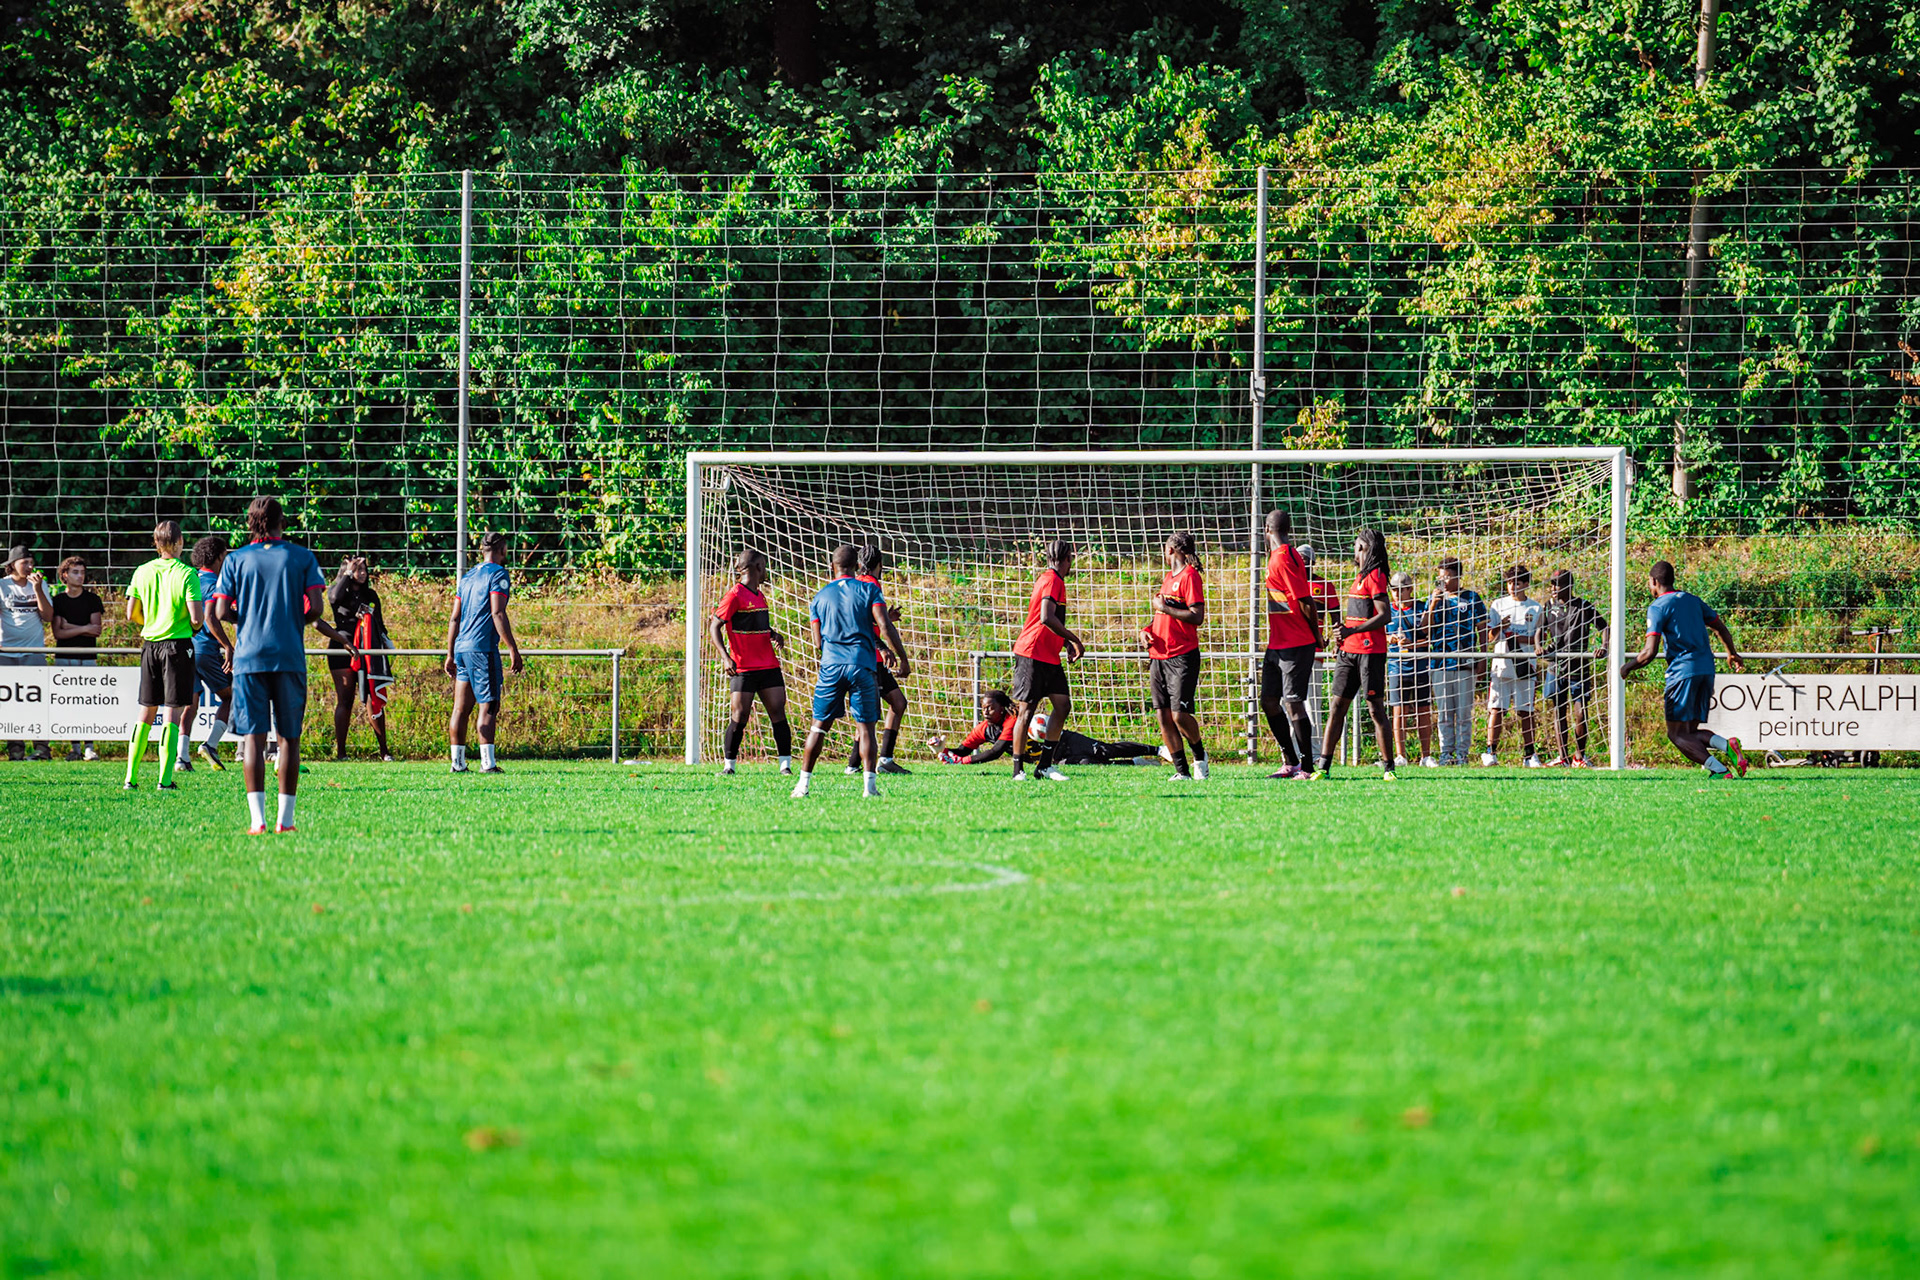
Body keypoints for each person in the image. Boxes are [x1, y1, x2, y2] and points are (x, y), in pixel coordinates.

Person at [209, 497, 353, 833]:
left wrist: (243, 620)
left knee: (254, 738)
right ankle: (284, 822)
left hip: (248, 658)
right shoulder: (302, 556)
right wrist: (291, 619)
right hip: (288, 656)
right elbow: (316, 609)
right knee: (289, 738)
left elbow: (219, 612)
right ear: (281, 521)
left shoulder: (235, 560)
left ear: (250, 523)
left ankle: (257, 820)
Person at [792, 543, 912, 798]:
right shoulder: (868, 588)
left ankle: (802, 785)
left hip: (831, 666)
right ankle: (870, 788)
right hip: (862, 665)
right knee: (866, 729)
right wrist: (903, 658)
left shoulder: (820, 596)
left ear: (831, 567)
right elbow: (884, 625)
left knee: (819, 727)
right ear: (857, 566)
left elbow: (817, 643)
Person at [1619, 560, 1749, 778]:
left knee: (1677, 735)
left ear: (1653, 581)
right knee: (1689, 732)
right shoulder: (1692, 600)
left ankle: (1719, 769)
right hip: (1706, 670)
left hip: (1682, 674)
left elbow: (1648, 652)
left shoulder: (1658, 607)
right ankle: (1728, 746)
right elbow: (1720, 626)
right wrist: (1732, 652)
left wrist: (1626, 668)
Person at [123, 522, 204, 791]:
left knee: (146, 711)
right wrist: (192, 625)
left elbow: (131, 614)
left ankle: (130, 778)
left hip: (150, 644)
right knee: (172, 712)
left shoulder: (141, 571)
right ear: (180, 541)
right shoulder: (187, 573)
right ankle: (165, 780)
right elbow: (195, 618)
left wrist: (152, 622)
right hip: (177, 647)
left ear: (156, 544)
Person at [445, 531, 523, 774]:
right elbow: (497, 612)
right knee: (488, 706)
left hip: (461, 648)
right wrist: (512, 649)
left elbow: (455, 617)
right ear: (501, 550)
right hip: (482, 648)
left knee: (460, 709)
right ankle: (488, 764)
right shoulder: (499, 574)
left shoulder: (467, 578)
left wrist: (449, 653)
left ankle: (457, 764)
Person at [709, 547, 792, 775]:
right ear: (757, 567)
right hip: (743, 667)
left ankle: (785, 765)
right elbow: (714, 626)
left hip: (768, 665)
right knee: (740, 715)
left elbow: (754, 624)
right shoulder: (734, 595)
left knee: (778, 712)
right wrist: (725, 657)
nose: (766, 571)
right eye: (764, 566)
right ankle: (729, 766)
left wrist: (773, 633)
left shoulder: (759, 594)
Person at [1010, 539, 1086, 783]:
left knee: (1062, 706)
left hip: (1048, 656)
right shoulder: (1052, 580)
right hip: (1032, 653)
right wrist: (1075, 640)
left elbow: (1051, 623)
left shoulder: (1055, 580)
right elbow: (1045, 618)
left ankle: (1044, 765)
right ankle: (1017, 770)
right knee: (1027, 710)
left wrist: (1063, 643)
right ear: (1067, 559)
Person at [1141, 531, 1208, 781]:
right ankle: (1182, 772)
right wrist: (1146, 631)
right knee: (1163, 715)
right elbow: (1161, 617)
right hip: (1158, 655)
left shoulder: (1190, 576)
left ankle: (1200, 757)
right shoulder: (1168, 578)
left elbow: (1196, 616)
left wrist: (1164, 608)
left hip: (1182, 655)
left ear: (1171, 550)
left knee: (1179, 714)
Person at [1259, 511, 1318, 780]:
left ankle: (1307, 767)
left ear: (1267, 529)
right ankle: (1290, 761)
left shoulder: (1283, 557)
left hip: (1296, 643)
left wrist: (1316, 635)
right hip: (1277, 643)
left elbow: (1305, 599)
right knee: (1269, 701)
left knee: (1294, 704)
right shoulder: (1283, 555)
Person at [843, 547, 911, 776]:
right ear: (879, 564)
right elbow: (870, 625)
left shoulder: (856, 582)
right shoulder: (872, 584)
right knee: (869, 713)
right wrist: (891, 651)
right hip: (869, 658)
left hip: (860, 657)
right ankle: (856, 764)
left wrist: (886, 617)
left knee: (897, 703)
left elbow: (864, 618)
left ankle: (881, 759)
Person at [1538, 569, 1609, 766]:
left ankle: (1580, 756)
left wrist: (1603, 647)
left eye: (1557, 584)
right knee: (1558, 711)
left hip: (1578, 667)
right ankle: (1563, 757)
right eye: (1551, 584)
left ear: (1568, 586)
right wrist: (1538, 646)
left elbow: (1604, 627)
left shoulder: (1583, 606)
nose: (1553, 588)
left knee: (1580, 712)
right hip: (1556, 667)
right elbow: (1539, 631)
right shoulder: (1548, 607)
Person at [328, 556, 394, 761]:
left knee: (372, 697)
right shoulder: (338, 591)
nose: (362, 572)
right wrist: (348, 573)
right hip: (343, 649)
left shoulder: (371, 594)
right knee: (345, 700)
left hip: (369, 650)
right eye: (357, 569)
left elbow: (379, 624)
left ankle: (384, 751)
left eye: (364, 568)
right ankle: (341, 752)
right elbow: (333, 598)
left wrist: (387, 643)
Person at [1425, 557, 1489, 766]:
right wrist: (1434, 602)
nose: (1442, 580)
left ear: (1457, 576)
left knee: (1463, 713)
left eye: (1447, 576)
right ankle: (1446, 753)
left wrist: (1483, 657)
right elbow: (1424, 629)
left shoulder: (1472, 598)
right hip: (1440, 664)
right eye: (1440, 576)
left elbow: (1482, 630)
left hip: (1465, 663)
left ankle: (1462, 753)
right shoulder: (1434, 598)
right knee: (1444, 713)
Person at [1484, 564, 1545, 768]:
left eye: (1517, 582)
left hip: (1525, 666)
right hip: (1501, 665)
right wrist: (1500, 627)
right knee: (1497, 709)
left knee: (1525, 711)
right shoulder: (1498, 605)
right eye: (1509, 582)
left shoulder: (1535, 608)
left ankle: (1529, 755)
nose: (1512, 586)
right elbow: (1490, 637)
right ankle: (1490, 752)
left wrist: (1521, 638)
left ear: (1526, 584)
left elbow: (1541, 637)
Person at [1, 547, 55, 761]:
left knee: (37, 700)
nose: (31, 566)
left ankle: (41, 747)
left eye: (32, 562)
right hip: (6, 652)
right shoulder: (2, 586)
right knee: (10, 701)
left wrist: (38, 589)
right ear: (13, 564)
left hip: (34, 651)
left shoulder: (40, 584)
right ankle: (15, 747)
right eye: (25, 562)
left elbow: (48, 616)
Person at [49, 555, 104, 761]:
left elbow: (96, 629)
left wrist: (70, 626)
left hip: (88, 657)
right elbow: (58, 633)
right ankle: (75, 748)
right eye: (75, 572)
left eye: (82, 572)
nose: (80, 576)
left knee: (88, 701)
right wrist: (84, 628)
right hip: (64, 657)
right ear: (65, 575)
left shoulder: (93, 599)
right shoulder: (59, 601)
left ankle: (89, 746)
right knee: (69, 702)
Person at [187, 537, 234, 771]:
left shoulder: (190, 578)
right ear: (217, 557)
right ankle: (211, 744)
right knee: (232, 695)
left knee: (189, 704)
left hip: (185, 647)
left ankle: (181, 758)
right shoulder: (216, 582)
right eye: (224, 555)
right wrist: (227, 645)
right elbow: (210, 616)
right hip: (206, 647)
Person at [1386, 570, 1436, 768]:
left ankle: (1426, 755)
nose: (1397, 594)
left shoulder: (1421, 608)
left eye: (1402, 590)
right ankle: (1400, 755)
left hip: (1420, 666)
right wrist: (1389, 639)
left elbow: (1431, 638)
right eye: (1394, 590)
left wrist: (1412, 644)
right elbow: (1378, 635)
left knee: (1423, 710)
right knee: (1399, 711)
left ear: (1410, 589)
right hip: (1396, 667)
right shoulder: (1387, 609)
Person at [1021, 710, 1161, 766]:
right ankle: (1136, 763)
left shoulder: (1023, 723)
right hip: (1059, 757)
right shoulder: (1017, 739)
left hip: (1067, 740)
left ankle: (1157, 750)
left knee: (1104, 751)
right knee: (1090, 763)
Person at [929, 690, 1018, 764]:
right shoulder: (983, 729)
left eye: (990, 708)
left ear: (1001, 709)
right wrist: (943, 750)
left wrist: (963, 761)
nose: (985, 712)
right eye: (983, 708)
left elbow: (996, 752)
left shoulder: (1012, 720)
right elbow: (962, 751)